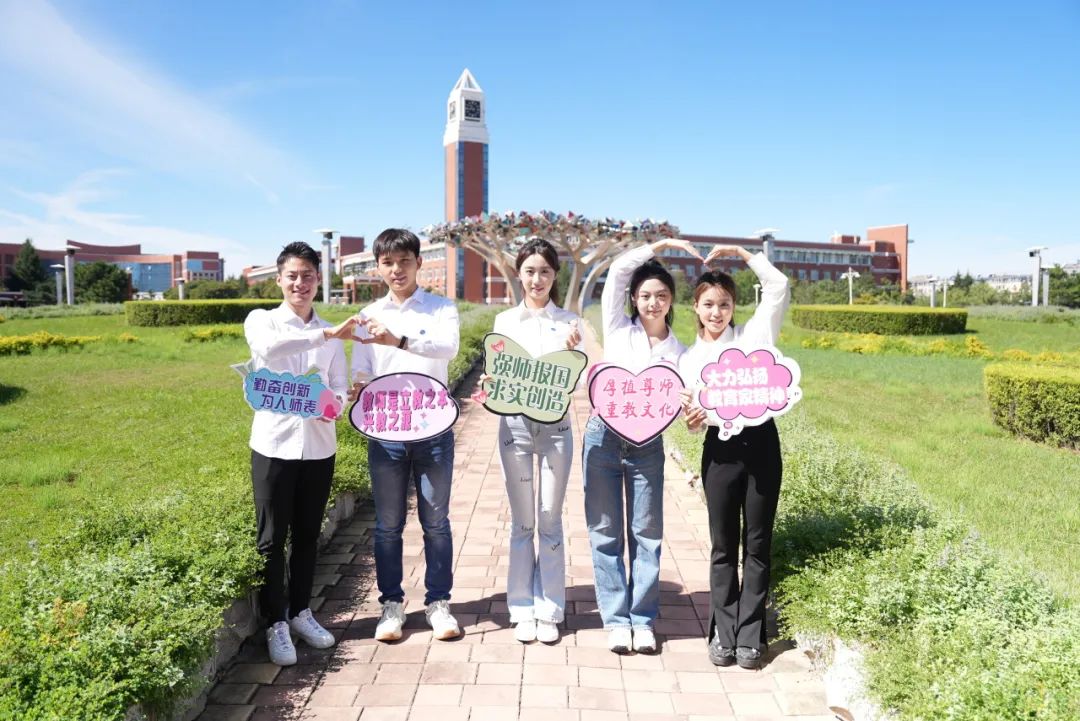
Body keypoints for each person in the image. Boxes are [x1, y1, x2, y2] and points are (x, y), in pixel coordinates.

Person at [584, 238, 703, 654]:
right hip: (602, 438)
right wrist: (659, 245)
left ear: (671, 302)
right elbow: (617, 271)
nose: (653, 303)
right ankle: (617, 621)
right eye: (646, 295)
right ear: (633, 298)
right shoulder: (619, 330)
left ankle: (643, 620)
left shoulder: (681, 354)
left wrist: (694, 417)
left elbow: (689, 414)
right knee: (604, 531)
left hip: (647, 448)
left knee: (646, 533)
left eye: (662, 296)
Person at [244, 241, 358, 666]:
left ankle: (301, 612)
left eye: (307, 275)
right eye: (292, 275)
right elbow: (270, 351)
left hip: (318, 446)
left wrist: (337, 403)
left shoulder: (332, 335)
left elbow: (339, 383)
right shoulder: (262, 321)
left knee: (308, 535)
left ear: (317, 280)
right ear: (279, 279)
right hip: (273, 445)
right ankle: (276, 622)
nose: (300, 283)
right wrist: (326, 334)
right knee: (272, 539)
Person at [678, 244, 789, 670]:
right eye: (708, 304)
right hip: (720, 453)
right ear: (696, 307)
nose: (717, 312)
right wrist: (693, 421)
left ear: (733, 307)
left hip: (761, 446)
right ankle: (723, 634)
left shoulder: (753, 338)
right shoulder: (689, 359)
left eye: (724, 304)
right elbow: (693, 419)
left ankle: (751, 635)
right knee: (723, 546)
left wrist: (744, 254)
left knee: (757, 544)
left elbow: (778, 286)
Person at [349, 228, 462, 642]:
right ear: (379, 267)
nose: (397, 269)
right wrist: (359, 386)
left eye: (404, 261)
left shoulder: (440, 308)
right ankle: (391, 605)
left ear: (418, 262)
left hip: (433, 428)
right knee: (387, 525)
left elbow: (448, 348)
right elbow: (362, 367)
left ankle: (438, 603)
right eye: (388, 263)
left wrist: (399, 340)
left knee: (436, 522)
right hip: (386, 432)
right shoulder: (368, 314)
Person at [489, 238, 583, 644]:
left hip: (557, 430)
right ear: (519, 274)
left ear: (555, 275)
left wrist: (575, 353)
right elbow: (499, 374)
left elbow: (578, 378)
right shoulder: (505, 322)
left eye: (545, 271)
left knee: (550, 518)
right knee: (522, 521)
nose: (537, 279)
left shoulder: (571, 323)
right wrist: (490, 382)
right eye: (529, 271)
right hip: (514, 428)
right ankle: (521, 607)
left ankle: (550, 609)